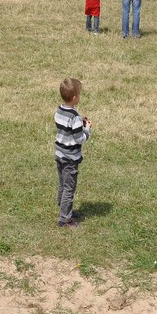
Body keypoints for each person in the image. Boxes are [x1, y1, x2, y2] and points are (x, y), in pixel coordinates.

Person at [55, 77, 91, 228]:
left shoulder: (59, 110)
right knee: (69, 187)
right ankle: (65, 219)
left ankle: (64, 207)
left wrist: (78, 121)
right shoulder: (75, 117)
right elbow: (79, 139)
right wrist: (87, 129)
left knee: (63, 183)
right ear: (75, 97)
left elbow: (66, 127)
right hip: (70, 158)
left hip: (60, 154)